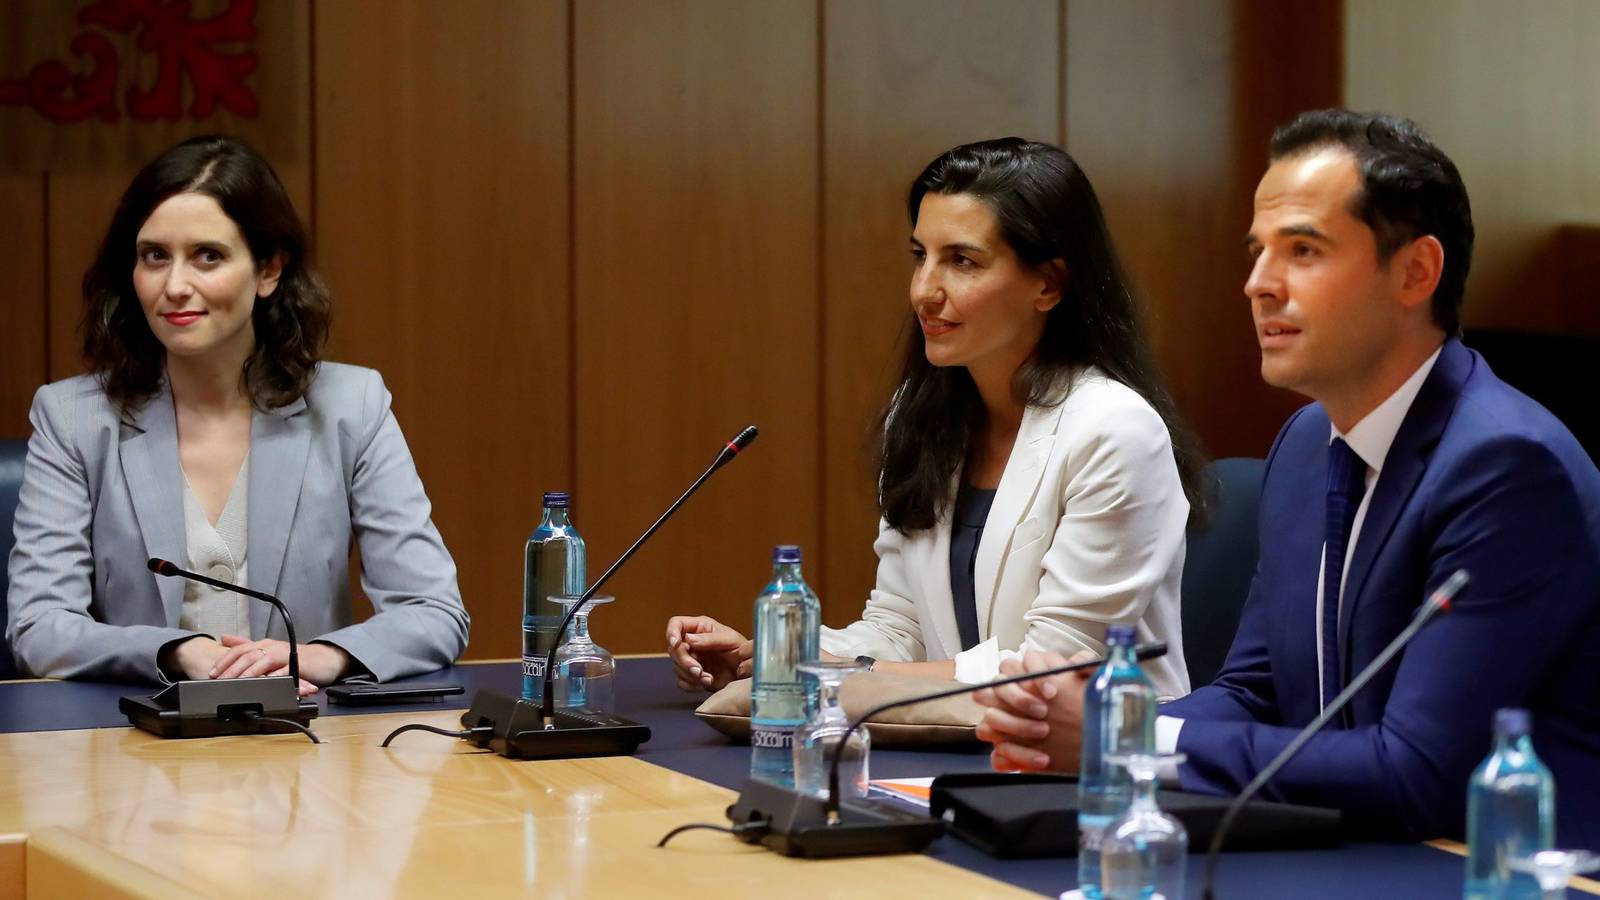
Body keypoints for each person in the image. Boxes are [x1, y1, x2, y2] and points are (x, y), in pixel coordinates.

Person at [973, 110, 1600, 849]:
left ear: (1416, 272)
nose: (1258, 285)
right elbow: (1255, 692)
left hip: (1499, 866)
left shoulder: (1505, 468)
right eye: (1258, 251)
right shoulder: (1306, 443)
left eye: (1302, 250)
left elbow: (1417, 773)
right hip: (1353, 848)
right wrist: (1093, 716)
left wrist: (1128, 739)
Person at [666, 138, 1206, 699]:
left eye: (962, 261)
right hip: (951, 749)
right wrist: (778, 656)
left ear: (1048, 284)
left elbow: (1054, 667)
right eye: (920, 256)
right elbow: (900, 628)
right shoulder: (922, 417)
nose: (924, 291)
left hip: (1096, 761)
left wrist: (836, 675)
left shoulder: (1114, 431)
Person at [5, 135, 470, 695]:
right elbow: (38, 628)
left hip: (306, 750)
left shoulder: (352, 407)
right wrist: (175, 652)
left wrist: (324, 656)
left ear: (269, 269)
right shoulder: (72, 418)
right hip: (131, 747)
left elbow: (435, 611)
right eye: (155, 255)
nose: (175, 286)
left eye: (208, 256)